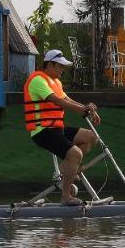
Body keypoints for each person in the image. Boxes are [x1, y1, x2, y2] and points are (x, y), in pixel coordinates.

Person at [25, 48, 101, 204]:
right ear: (50, 65)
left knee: (92, 137)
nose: (63, 69)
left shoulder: (56, 82)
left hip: (57, 129)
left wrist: (87, 108)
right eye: (60, 66)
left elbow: (68, 100)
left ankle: (67, 171)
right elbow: (57, 101)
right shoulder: (38, 80)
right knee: (75, 154)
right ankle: (66, 196)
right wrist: (81, 109)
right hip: (43, 131)